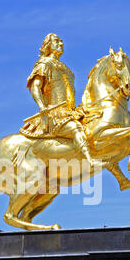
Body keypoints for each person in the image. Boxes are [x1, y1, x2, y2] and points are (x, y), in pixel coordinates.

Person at [20, 33, 97, 166]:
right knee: (76, 128)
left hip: (70, 113)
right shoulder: (45, 64)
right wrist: (43, 106)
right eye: (56, 41)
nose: (61, 43)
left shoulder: (66, 68)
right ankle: (90, 160)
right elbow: (35, 87)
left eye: (61, 41)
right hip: (55, 115)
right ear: (48, 45)